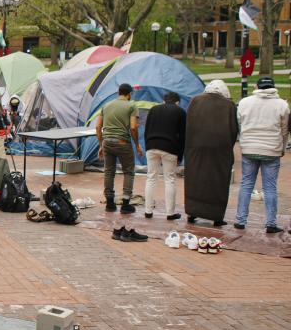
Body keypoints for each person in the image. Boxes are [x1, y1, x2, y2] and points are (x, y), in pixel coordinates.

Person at [234, 77, 289, 233]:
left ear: (256, 86)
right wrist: (282, 148)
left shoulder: (245, 103)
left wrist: (243, 142)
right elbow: (284, 131)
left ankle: (240, 220)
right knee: (270, 187)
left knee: (246, 184)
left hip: (249, 149)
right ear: (273, 87)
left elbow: (240, 124)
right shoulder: (282, 105)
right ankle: (271, 223)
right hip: (272, 150)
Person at [184, 80, 238, 226]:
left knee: (195, 180)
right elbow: (233, 131)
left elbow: (188, 124)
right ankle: (216, 216)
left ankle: (192, 212)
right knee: (217, 182)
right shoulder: (228, 105)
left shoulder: (195, 101)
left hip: (195, 149)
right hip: (219, 152)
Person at [95, 83, 141, 213]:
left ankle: (110, 203)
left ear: (118, 93)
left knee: (109, 171)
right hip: (122, 143)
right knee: (129, 171)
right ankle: (126, 204)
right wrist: (137, 145)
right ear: (129, 94)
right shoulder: (131, 105)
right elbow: (133, 127)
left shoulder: (106, 105)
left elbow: (98, 127)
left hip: (107, 142)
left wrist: (101, 145)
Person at [143, 92, 187, 221]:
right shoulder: (180, 112)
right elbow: (183, 136)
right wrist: (180, 154)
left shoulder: (153, 109)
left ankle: (148, 211)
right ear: (177, 102)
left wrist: (148, 146)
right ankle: (170, 213)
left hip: (151, 145)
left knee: (151, 177)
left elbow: (147, 130)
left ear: (164, 100)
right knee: (170, 179)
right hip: (170, 148)